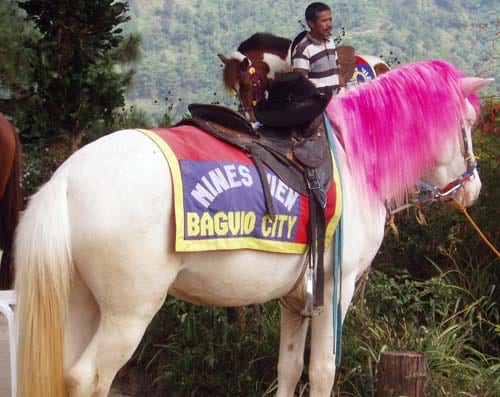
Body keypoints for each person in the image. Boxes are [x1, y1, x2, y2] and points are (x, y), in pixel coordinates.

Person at [291, 2, 341, 96]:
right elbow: (301, 85)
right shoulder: (303, 49)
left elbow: (338, 74)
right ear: (311, 24)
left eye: (330, 20)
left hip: (336, 104)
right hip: (319, 107)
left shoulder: (331, 44)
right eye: (324, 21)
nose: (329, 25)